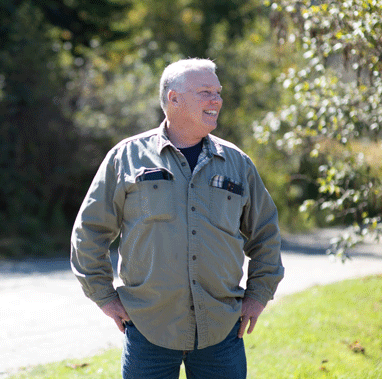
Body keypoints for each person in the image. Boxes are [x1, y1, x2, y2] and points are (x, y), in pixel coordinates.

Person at [71, 58, 284, 379]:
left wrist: (258, 295)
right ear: (174, 98)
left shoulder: (237, 163)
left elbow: (265, 235)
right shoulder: (125, 157)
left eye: (218, 92)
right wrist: (104, 296)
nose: (217, 100)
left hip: (221, 329)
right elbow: (89, 232)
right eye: (205, 92)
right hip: (148, 328)